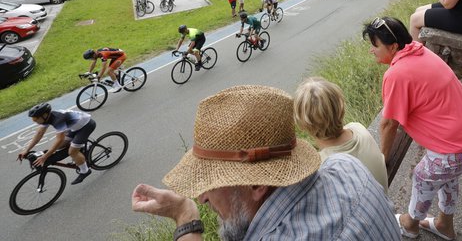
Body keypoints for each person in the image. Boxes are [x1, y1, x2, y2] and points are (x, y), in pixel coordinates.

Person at [131, 86, 400, 241]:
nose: (202, 197)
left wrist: (185, 217)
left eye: (212, 183)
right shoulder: (346, 166)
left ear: (257, 183)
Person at [363, 17, 462, 239]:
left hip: (458, 148)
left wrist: (382, 159)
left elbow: (389, 123)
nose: (371, 51)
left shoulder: (396, 74)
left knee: (423, 176)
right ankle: (444, 225)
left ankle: (409, 224)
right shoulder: (419, 50)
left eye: (375, 46)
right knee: (446, 176)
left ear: (393, 47)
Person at [293, 77, 388, 192]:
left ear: (303, 125)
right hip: (383, 199)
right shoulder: (357, 128)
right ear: (341, 106)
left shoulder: (321, 167)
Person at [18, 103, 96, 185]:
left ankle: (85, 171)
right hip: (74, 127)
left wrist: (45, 156)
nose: (34, 120)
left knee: (72, 151)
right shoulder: (47, 118)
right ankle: (81, 148)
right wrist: (26, 150)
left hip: (86, 126)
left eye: (35, 118)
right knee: (59, 147)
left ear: (44, 115)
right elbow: (39, 134)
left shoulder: (58, 120)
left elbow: (59, 139)